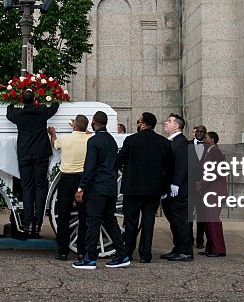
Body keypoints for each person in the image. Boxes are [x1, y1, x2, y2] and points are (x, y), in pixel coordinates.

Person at [72, 111, 130, 269]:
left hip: (97, 187)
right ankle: (123, 254)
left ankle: (90, 258)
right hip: (111, 186)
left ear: (94, 122)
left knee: (93, 222)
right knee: (111, 222)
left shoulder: (93, 141)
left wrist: (81, 187)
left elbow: (89, 167)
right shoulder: (112, 141)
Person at [117, 112, 172, 263]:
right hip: (153, 189)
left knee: (131, 222)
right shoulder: (163, 142)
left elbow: (120, 160)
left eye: (138, 121)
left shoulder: (131, 140)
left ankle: (128, 252)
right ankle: (145, 255)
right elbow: (168, 167)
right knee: (148, 222)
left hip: (132, 187)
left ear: (142, 124)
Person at [6, 89, 60, 239]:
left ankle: (28, 221)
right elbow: (54, 107)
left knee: (27, 187)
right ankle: (38, 223)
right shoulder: (42, 111)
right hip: (41, 153)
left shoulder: (18, 114)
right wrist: (54, 97)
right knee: (40, 187)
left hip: (24, 153)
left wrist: (12, 100)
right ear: (35, 99)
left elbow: (8, 111)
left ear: (23, 101)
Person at [48, 115, 92, 261]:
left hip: (67, 179)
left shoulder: (65, 139)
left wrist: (53, 133)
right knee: (83, 217)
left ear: (73, 126)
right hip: (82, 180)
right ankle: (81, 251)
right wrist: (85, 130)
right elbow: (90, 134)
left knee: (63, 216)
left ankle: (62, 251)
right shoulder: (89, 139)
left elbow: (54, 144)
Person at [161, 113, 193, 261]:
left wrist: (176, 183)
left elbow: (182, 165)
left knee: (180, 220)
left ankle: (186, 250)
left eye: (169, 121)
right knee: (173, 220)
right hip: (169, 189)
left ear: (177, 126)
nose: (166, 123)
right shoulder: (172, 141)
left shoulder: (181, 142)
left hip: (178, 189)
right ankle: (178, 247)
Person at [198, 131, 227, 257]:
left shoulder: (214, 151)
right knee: (207, 220)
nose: (203, 139)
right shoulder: (211, 150)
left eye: (206, 138)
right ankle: (211, 247)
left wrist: (202, 183)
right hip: (210, 190)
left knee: (212, 219)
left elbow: (215, 171)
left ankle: (219, 249)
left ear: (212, 139)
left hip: (215, 190)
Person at [188, 124, 208, 249]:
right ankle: (189, 238)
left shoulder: (209, 147)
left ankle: (200, 239)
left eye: (203, 132)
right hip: (190, 185)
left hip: (203, 187)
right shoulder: (187, 145)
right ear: (194, 132)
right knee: (189, 214)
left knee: (202, 215)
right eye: (198, 131)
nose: (200, 133)